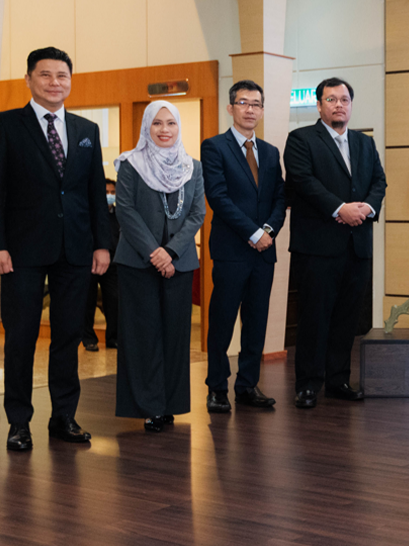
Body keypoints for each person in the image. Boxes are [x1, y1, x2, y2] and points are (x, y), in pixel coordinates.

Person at [0, 46, 112, 452]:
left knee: (68, 336)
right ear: (29, 79)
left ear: (70, 81)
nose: (55, 83)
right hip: (20, 251)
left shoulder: (87, 130)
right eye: (46, 75)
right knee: (20, 337)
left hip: (75, 249)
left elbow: (95, 193)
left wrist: (102, 244)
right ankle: (19, 422)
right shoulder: (4, 125)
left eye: (62, 76)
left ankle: (63, 417)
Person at [285, 77, 386, 408]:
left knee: (347, 318)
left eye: (344, 99)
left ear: (351, 105)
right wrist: (340, 208)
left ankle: (338, 379)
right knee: (314, 318)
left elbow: (379, 182)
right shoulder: (301, 139)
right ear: (319, 105)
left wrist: (366, 209)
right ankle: (308, 384)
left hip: (357, 246)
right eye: (331, 99)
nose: (339, 105)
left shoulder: (364, 143)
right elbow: (303, 181)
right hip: (317, 247)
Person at [113, 101, 206, 432]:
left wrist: (171, 252)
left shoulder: (192, 167)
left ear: (178, 127)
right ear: (146, 127)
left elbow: (197, 213)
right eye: (157, 123)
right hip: (138, 263)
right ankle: (149, 406)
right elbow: (125, 211)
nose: (164, 130)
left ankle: (171, 404)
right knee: (143, 336)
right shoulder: (131, 164)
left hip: (179, 263)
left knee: (176, 336)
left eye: (171, 123)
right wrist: (155, 253)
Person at [201, 80, 287, 413]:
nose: (250, 109)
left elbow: (279, 198)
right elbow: (218, 198)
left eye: (256, 104)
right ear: (231, 107)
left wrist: (268, 231)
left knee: (256, 321)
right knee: (222, 321)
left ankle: (247, 385)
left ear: (262, 111)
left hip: (264, 252)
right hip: (231, 251)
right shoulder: (214, 147)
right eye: (243, 103)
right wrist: (253, 233)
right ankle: (216, 387)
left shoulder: (270, 152)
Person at [82, 179, 121, 351]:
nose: (109, 196)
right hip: (90, 261)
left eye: (112, 192)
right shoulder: (89, 213)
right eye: (106, 192)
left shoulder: (120, 215)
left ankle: (113, 338)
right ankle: (88, 338)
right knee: (88, 301)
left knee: (114, 300)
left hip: (113, 262)